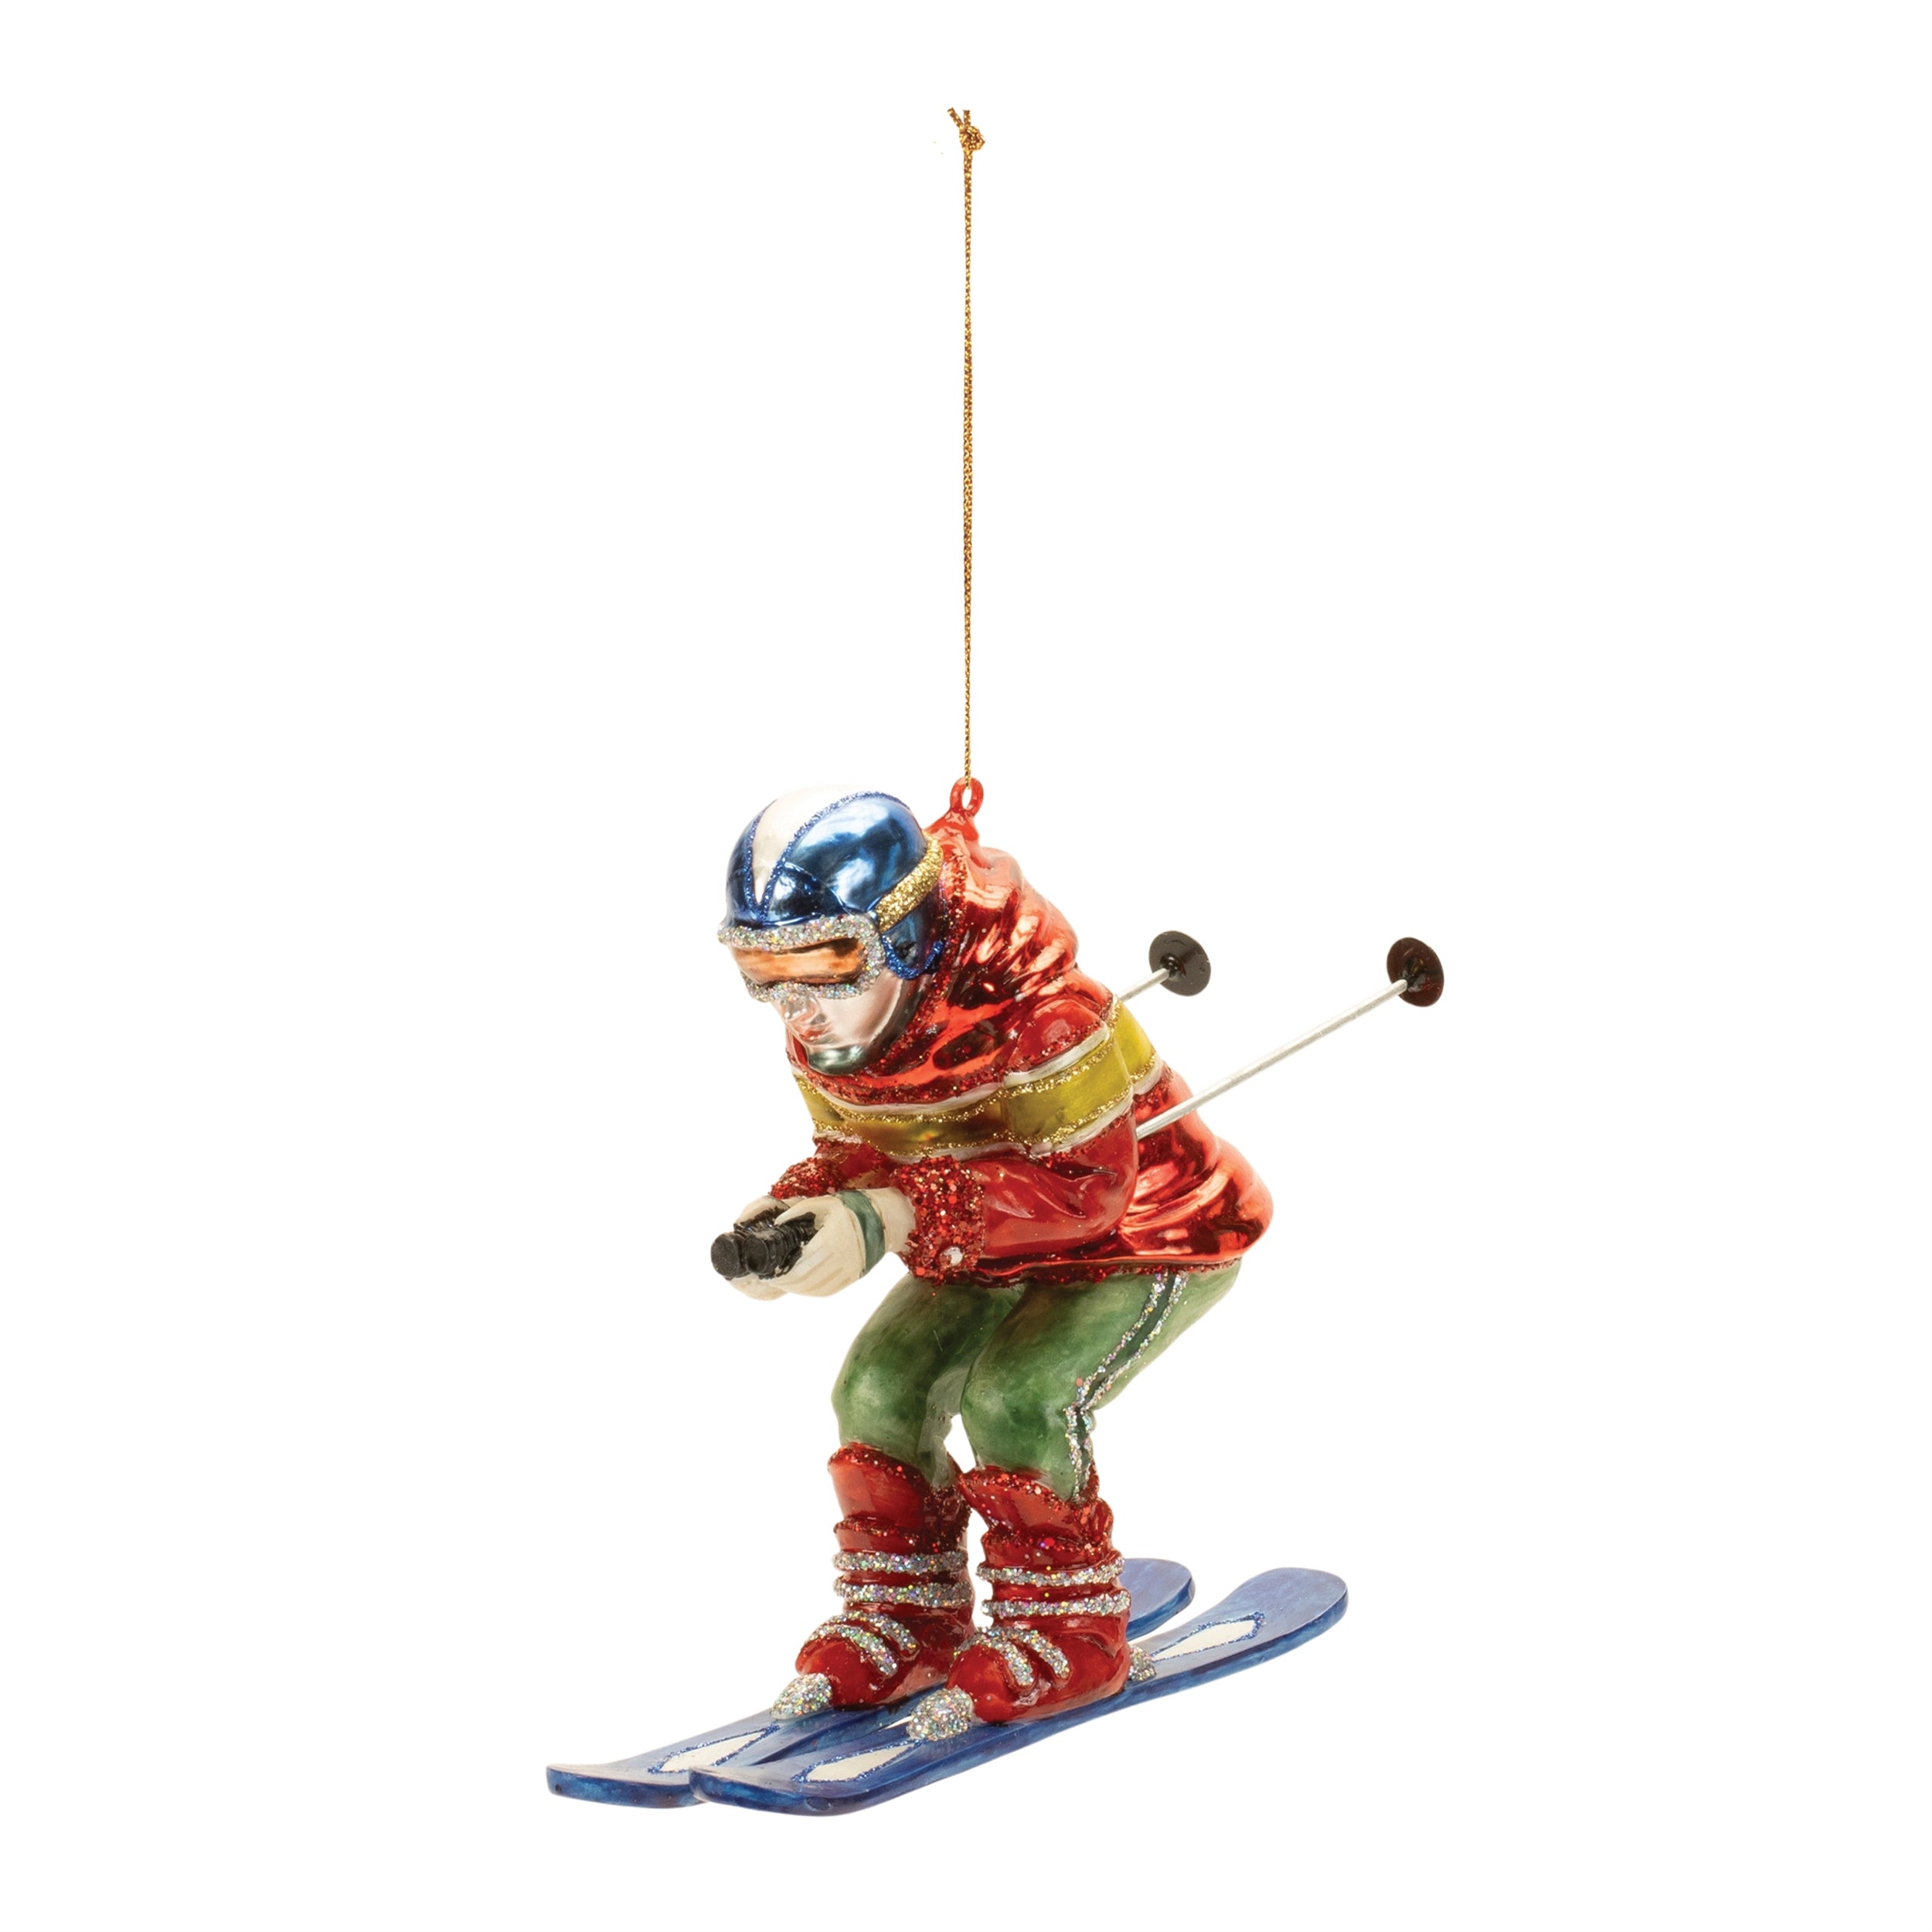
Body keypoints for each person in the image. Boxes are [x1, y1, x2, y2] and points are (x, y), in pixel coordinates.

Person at [716, 781, 1270, 1740]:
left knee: (1016, 1393)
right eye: (763, 972)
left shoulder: (1045, 1018)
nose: (797, 1006)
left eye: (828, 962)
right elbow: (861, 1149)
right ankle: (909, 1613)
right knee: (876, 1385)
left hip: (1139, 1229)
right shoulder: (831, 1037)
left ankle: (1067, 1628)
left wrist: (889, 1214)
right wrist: (805, 1205)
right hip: (980, 1235)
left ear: (902, 934)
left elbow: (1083, 1191)